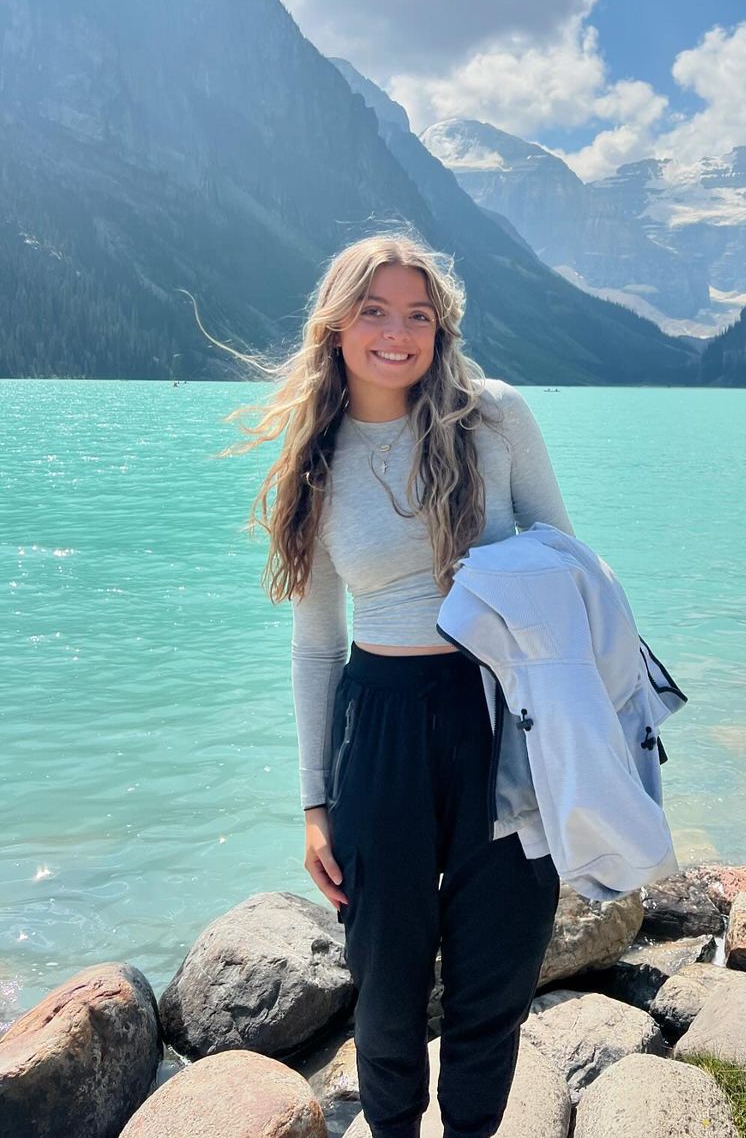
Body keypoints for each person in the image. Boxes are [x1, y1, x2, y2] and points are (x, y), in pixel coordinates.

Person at [224, 233, 574, 1138]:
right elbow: (316, 646)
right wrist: (313, 804)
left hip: (505, 714)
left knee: (497, 966)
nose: (397, 332)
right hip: (379, 723)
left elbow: (568, 564)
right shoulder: (318, 455)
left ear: (440, 329)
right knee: (384, 979)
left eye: (418, 314)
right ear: (336, 327)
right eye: (374, 311)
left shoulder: (494, 417)